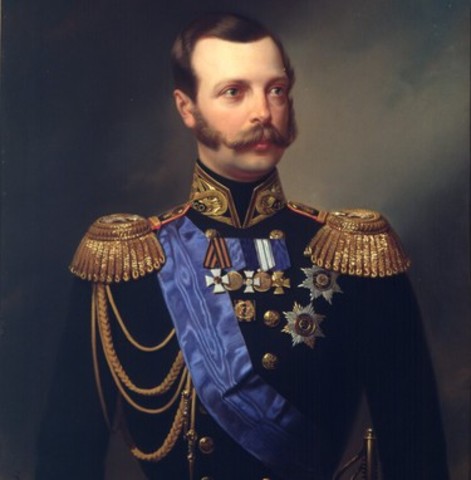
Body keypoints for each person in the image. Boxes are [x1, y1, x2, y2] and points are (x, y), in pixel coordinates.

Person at [35, 13, 449, 480]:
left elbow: (417, 456)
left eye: (276, 90)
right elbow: (65, 459)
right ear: (186, 107)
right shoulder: (126, 263)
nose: (263, 113)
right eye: (234, 92)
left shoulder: (356, 256)